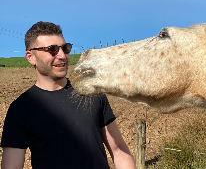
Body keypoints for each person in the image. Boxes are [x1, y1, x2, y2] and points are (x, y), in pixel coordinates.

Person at [0, 21, 135, 169]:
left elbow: (118, 149)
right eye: (52, 50)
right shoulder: (20, 109)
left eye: (65, 48)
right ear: (31, 57)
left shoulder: (90, 93)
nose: (62, 55)